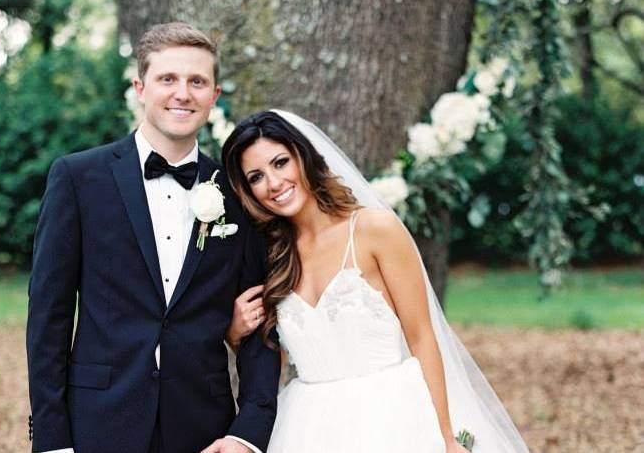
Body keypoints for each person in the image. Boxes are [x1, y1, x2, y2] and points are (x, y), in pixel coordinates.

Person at [26, 23, 280, 453]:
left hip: (204, 429)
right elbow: (48, 317)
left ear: (214, 96)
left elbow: (259, 317)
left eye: (197, 81)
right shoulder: (77, 178)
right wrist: (53, 441)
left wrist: (248, 432)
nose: (183, 93)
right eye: (168, 79)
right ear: (140, 88)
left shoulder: (236, 191)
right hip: (97, 426)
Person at [221, 110, 531, 453]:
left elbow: (422, 336)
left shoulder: (374, 230)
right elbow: (275, 362)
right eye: (256, 177)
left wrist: (444, 436)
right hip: (309, 427)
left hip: (392, 417)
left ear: (303, 156)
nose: (274, 183)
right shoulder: (273, 256)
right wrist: (236, 335)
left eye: (280, 163)